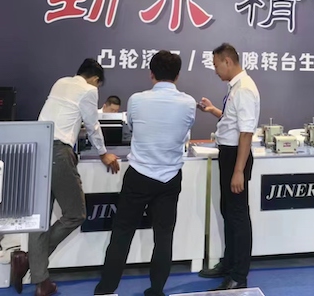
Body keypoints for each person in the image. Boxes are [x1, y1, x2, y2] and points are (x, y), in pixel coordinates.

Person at [11, 59, 120, 296]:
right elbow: (93, 125)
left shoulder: (60, 82)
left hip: (37, 148)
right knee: (76, 214)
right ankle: (29, 260)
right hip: (58, 153)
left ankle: (41, 282)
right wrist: (103, 153)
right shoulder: (88, 90)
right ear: (95, 79)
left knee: (40, 218)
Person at [94, 51, 196, 296]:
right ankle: (157, 290)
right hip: (170, 177)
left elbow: (132, 126)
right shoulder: (188, 103)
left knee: (122, 234)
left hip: (139, 175)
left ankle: (106, 290)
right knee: (164, 237)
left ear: (151, 74)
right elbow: (184, 132)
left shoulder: (137, 100)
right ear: (177, 76)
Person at [197, 43, 260, 291]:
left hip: (236, 157)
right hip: (229, 154)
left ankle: (239, 275)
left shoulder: (244, 89)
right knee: (228, 211)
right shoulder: (235, 87)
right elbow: (232, 121)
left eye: (216, 65)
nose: (215, 70)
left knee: (238, 216)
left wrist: (238, 171)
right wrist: (213, 110)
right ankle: (229, 262)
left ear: (227, 61)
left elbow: (246, 133)